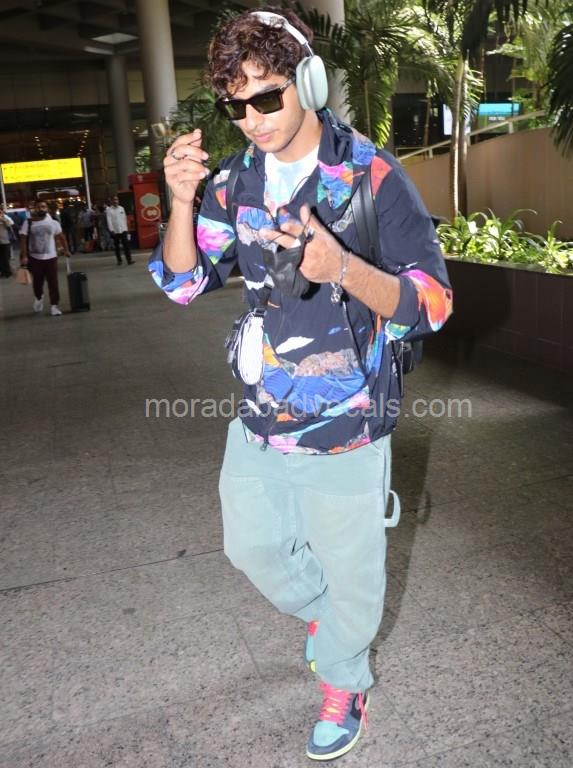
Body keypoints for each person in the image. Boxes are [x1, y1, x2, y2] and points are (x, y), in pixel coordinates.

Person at [148, 8, 453, 762]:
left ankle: (345, 680)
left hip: (347, 420)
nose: (252, 120)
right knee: (250, 548)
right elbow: (184, 284)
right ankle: (334, 621)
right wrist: (180, 201)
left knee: (353, 572)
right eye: (236, 105)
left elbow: (434, 304)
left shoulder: (371, 176)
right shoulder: (234, 181)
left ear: (308, 82)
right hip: (260, 416)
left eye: (267, 97)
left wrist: (343, 268)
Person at [19, 199, 70, 316]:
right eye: (38, 207)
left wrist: (66, 250)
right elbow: (23, 240)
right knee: (37, 282)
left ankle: (54, 306)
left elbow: (61, 237)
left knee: (53, 282)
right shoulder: (28, 223)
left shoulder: (53, 223)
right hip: (35, 258)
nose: (40, 209)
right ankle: (39, 297)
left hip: (51, 258)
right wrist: (24, 256)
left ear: (47, 209)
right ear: (34, 209)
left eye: (43, 207)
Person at [106, 195, 133, 265]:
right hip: (115, 231)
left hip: (123, 229)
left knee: (126, 246)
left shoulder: (121, 208)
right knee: (117, 247)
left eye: (116, 199)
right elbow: (109, 221)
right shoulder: (109, 210)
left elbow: (124, 219)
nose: (115, 201)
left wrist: (126, 229)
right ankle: (119, 260)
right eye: (114, 200)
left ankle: (129, 260)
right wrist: (111, 230)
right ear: (111, 201)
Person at [0, 203, 15, 277]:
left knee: (6, 258)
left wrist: (3, 220)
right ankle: (3, 272)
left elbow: (11, 224)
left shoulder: (5, 217)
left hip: (5, 241)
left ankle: (8, 272)